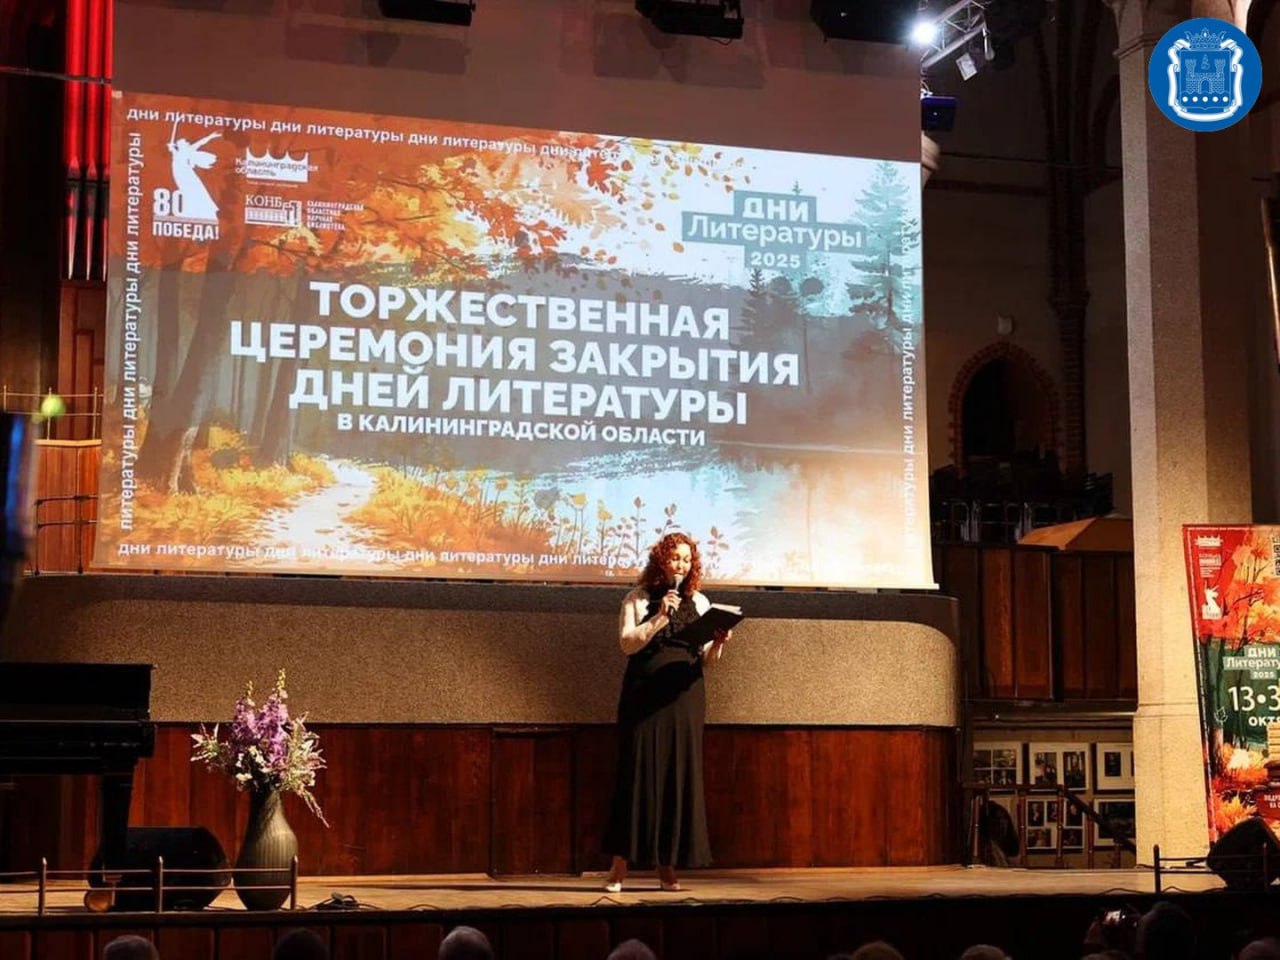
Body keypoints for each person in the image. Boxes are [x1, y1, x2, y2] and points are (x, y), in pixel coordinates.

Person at [602, 532, 732, 893]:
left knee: (677, 776)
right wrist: (660, 617)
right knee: (636, 775)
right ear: (661, 560)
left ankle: (667, 867)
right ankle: (619, 866)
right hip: (645, 694)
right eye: (675, 558)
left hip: (684, 697)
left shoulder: (700, 601)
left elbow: (707, 660)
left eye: (687, 560)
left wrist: (718, 644)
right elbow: (627, 644)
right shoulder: (638, 597)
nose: (681, 565)